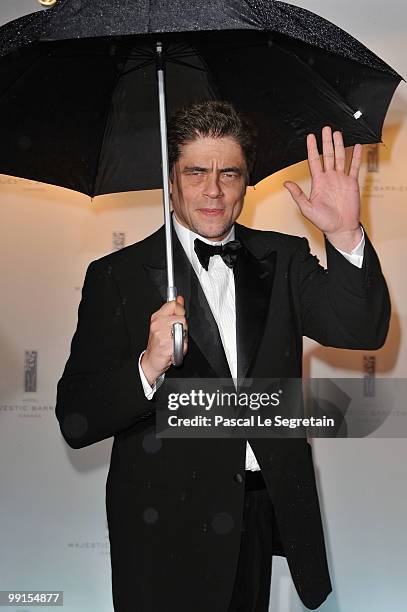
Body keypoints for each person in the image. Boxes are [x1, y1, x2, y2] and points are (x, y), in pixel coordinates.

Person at [55, 101, 390, 612]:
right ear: (171, 180)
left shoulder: (283, 259)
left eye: (228, 173)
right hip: (159, 526)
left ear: (245, 183)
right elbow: (76, 420)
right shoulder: (115, 277)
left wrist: (344, 234)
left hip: (255, 512)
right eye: (196, 172)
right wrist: (148, 365)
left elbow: (364, 329)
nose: (213, 190)